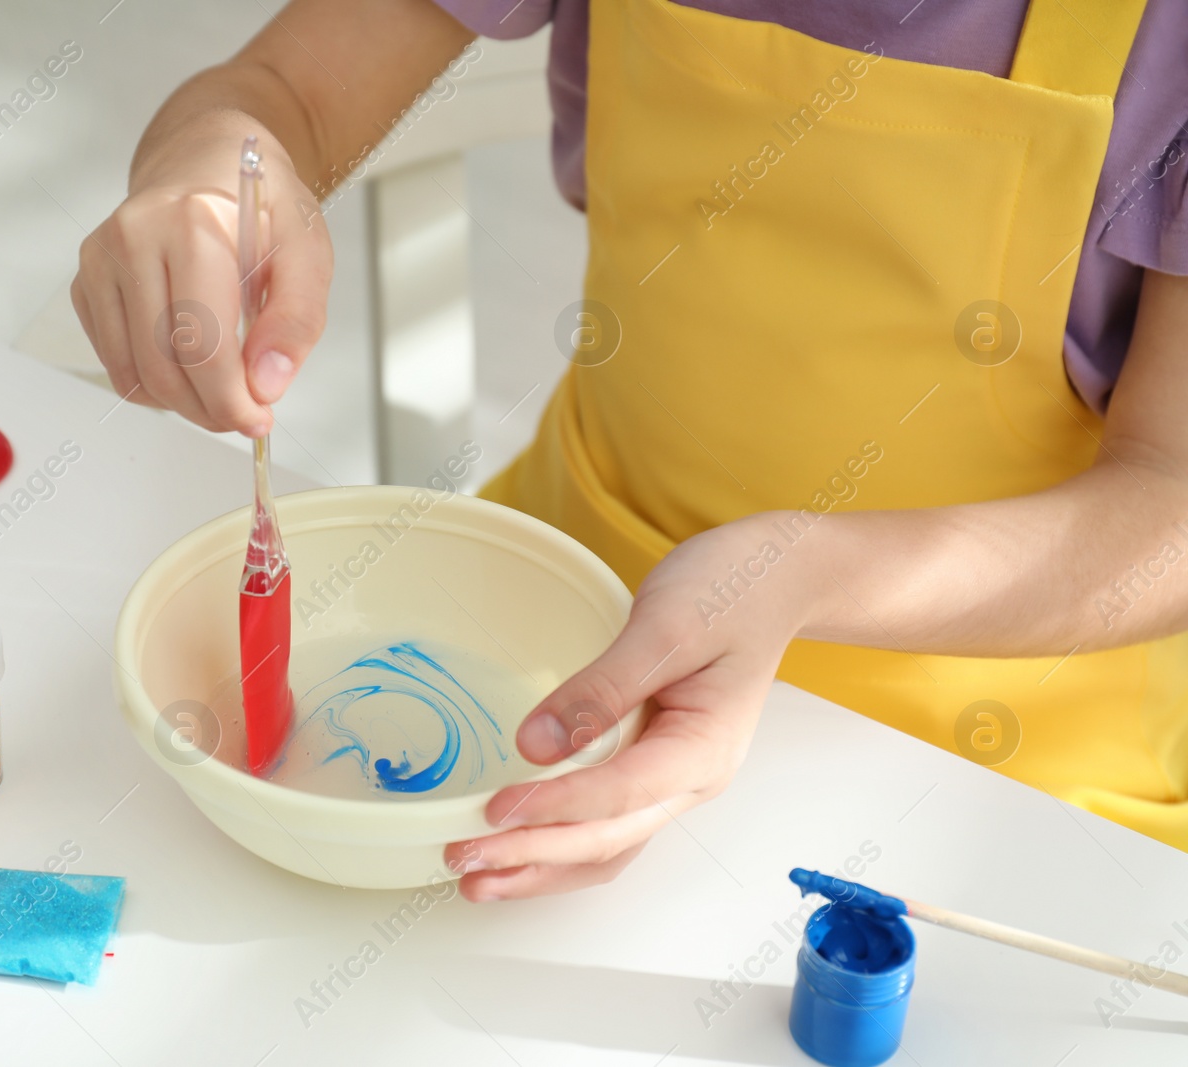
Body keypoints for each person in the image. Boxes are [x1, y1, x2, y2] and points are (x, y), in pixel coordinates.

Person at [72, 0, 1188, 901]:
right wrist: (210, 174)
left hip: (999, 764)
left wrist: (792, 575)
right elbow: (280, 94)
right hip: (558, 616)